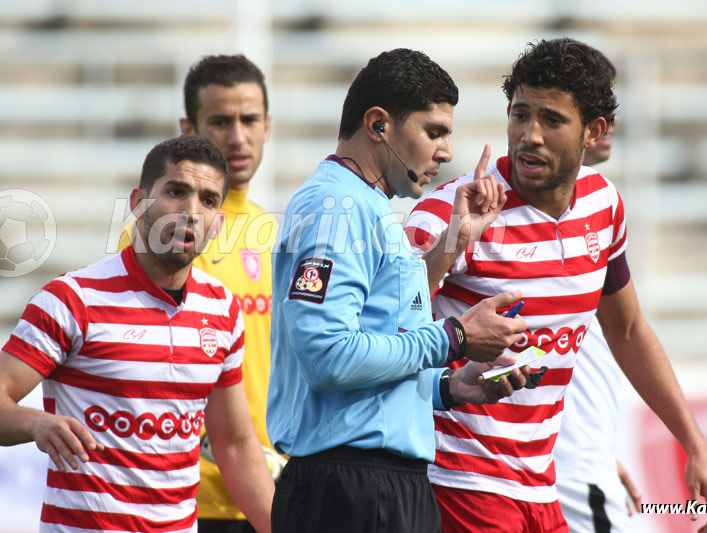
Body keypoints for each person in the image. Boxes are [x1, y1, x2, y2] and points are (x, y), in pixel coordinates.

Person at [405, 38, 707, 533]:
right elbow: (383, 333)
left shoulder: (604, 205)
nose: (529, 135)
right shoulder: (451, 211)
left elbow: (629, 330)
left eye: (551, 120)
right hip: (457, 475)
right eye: (520, 114)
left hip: (541, 482)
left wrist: (695, 445)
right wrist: (452, 243)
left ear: (593, 131)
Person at [267, 48, 532, 533]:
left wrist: (447, 386)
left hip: (376, 484)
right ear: (378, 125)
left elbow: (379, 336)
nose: (447, 151)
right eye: (434, 132)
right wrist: (452, 338)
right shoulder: (337, 206)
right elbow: (327, 356)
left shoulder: (364, 204)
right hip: (349, 489)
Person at [0, 136, 274, 532]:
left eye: (209, 200)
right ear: (138, 202)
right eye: (176, 191)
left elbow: (233, 444)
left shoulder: (223, 310)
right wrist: (35, 423)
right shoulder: (72, 299)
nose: (191, 212)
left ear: (219, 225)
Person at [118, 54, 279, 533]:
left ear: (267, 125)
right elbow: (143, 362)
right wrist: (216, 443)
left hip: (271, 487)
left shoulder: (275, 233)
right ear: (189, 126)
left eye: (249, 119)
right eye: (220, 121)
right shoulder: (157, 235)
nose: (236, 136)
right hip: (189, 495)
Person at [554, 115, 644, 533]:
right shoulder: (517, 217)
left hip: (569, 456)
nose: (610, 122)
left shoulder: (600, 206)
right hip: (564, 468)